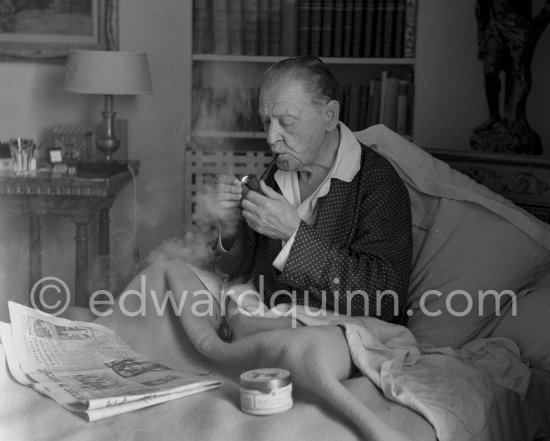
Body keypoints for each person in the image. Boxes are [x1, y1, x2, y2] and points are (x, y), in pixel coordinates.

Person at [208, 55, 413, 338]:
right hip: (273, 323)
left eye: (286, 122)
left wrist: (293, 234)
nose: (271, 138)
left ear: (329, 116)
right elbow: (235, 268)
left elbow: (385, 299)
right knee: (167, 277)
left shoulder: (378, 181)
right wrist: (230, 225)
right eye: (266, 122)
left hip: (341, 332)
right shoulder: (274, 175)